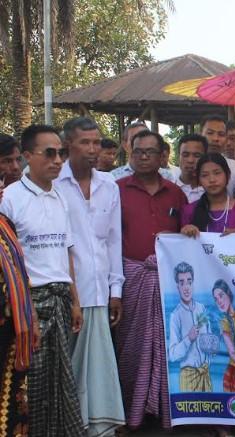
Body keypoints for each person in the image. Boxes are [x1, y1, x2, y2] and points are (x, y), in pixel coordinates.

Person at [0, 124, 85, 436]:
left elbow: (66, 253)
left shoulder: (60, 197)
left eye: (61, 153)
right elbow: (8, 263)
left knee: (59, 381)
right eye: (49, 153)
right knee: (28, 383)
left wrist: (75, 301)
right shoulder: (9, 199)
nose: (57, 160)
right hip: (28, 305)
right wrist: (27, 313)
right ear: (27, 156)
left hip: (60, 301)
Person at [56, 117, 126, 436]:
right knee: (67, 367)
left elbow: (113, 241)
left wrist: (116, 290)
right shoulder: (53, 184)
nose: (93, 149)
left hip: (99, 293)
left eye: (96, 142)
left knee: (97, 368)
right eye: (85, 142)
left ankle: (97, 427)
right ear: (68, 144)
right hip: (65, 294)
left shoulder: (109, 186)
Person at [115, 130, 187, 430]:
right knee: (131, 348)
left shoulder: (175, 193)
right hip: (131, 280)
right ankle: (131, 410)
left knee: (170, 346)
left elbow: (188, 234)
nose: (143, 156)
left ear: (162, 156)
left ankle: (166, 410)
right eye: (137, 151)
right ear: (130, 153)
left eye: (150, 151)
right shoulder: (116, 189)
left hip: (170, 284)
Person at [0, 212, 39, 437]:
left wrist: (31, 318)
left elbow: (20, 276)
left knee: (10, 395)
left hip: (11, 330)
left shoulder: (6, 224)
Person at [181, 153, 235, 235]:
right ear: (199, 180)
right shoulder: (189, 211)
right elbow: (183, 241)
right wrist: (186, 232)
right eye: (205, 175)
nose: (212, 180)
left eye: (217, 173)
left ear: (228, 175)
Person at [168, 262, 212, 392]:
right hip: (188, 377)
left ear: (193, 283)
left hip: (205, 373)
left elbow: (208, 338)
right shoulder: (175, 316)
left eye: (189, 282)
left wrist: (210, 354)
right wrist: (188, 339)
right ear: (177, 286)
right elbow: (172, 355)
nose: (186, 287)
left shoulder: (201, 308)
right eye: (182, 283)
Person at [111, 121, 175, 182]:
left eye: (146, 139)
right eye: (134, 139)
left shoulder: (166, 176)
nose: (141, 144)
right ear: (125, 145)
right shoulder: (113, 178)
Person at [201, 115, 235, 194]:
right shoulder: (189, 165)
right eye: (210, 133)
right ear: (200, 134)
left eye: (221, 134)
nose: (215, 138)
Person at [175, 134, 209, 203]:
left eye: (197, 155)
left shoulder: (213, 191)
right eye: (185, 155)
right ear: (178, 157)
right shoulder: (169, 189)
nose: (190, 160)